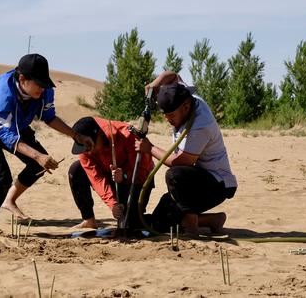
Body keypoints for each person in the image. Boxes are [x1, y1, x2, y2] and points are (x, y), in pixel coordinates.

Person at [0, 53, 94, 238]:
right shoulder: (1, 94)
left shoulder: (44, 90)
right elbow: (8, 137)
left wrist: (76, 136)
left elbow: (49, 118)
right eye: (38, 83)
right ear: (22, 79)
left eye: (44, 84)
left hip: (16, 124)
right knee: (0, 178)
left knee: (37, 166)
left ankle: (9, 201)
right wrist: (38, 156)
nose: (42, 89)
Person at [135, 71, 237, 234]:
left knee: (175, 175)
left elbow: (181, 162)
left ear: (186, 107)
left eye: (171, 116)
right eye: (165, 116)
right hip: (196, 181)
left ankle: (192, 226)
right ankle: (213, 220)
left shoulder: (200, 125)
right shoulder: (184, 95)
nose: (168, 120)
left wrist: (150, 148)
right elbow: (173, 76)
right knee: (158, 223)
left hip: (217, 184)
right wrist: (156, 83)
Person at [68, 116, 154, 229]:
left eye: (89, 146)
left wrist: (123, 176)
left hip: (136, 180)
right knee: (76, 170)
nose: (87, 150)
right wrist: (112, 203)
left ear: (98, 135)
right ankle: (89, 220)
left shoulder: (128, 135)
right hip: (110, 176)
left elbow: (142, 173)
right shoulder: (85, 145)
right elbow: (96, 178)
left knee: (130, 224)